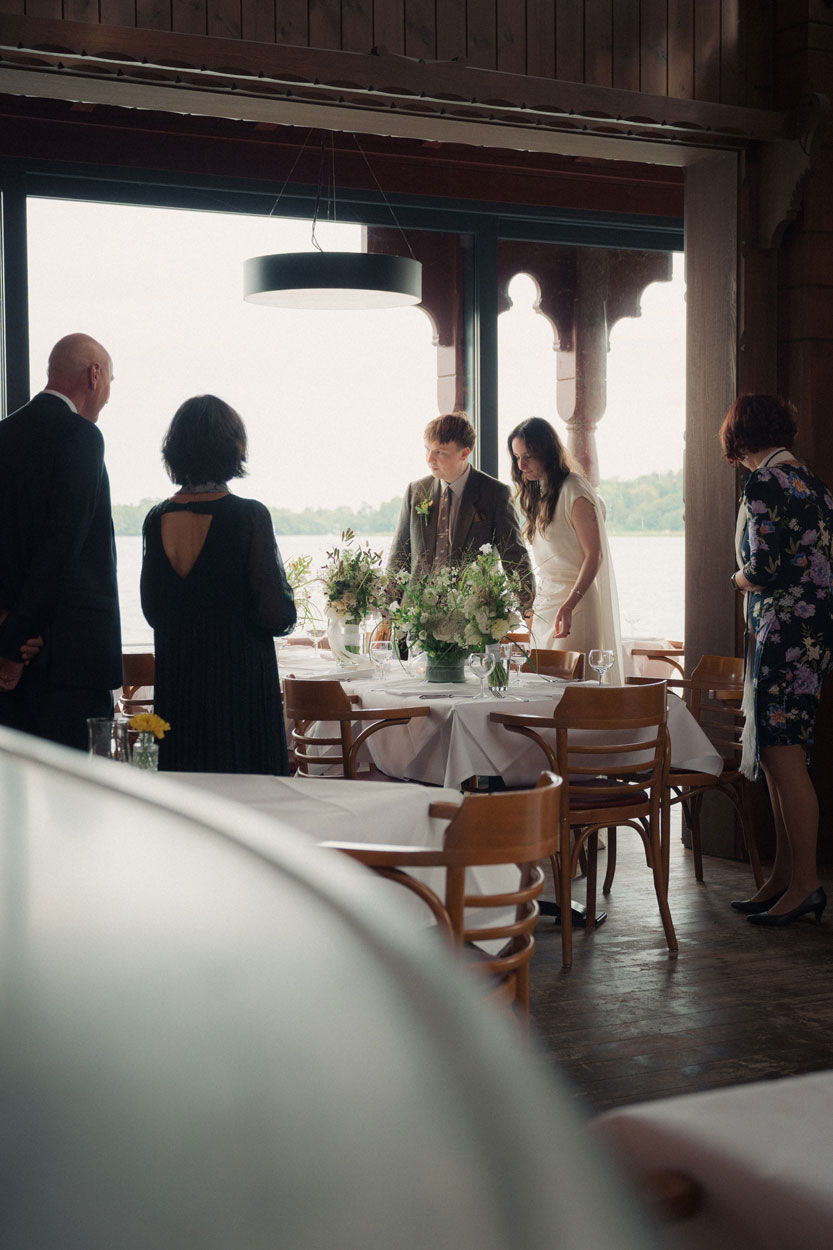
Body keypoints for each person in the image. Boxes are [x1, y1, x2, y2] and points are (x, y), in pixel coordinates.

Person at [721, 394, 833, 927]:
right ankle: (785, 878)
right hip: (811, 635)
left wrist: (738, 579)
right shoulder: (812, 481)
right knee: (780, 757)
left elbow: (763, 566)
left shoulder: (764, 482)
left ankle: (806, 885)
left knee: (784, 760)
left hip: (782, 634)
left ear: (740, 437)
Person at [140, 395, 296, 774]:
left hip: (180, 686)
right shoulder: (248, 516)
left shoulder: (155, 518)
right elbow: (275, 613)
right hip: (240, 690)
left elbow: (153, 611)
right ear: (233, 448)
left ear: (174, 451)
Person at [0, 333, 121, 750]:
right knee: (80, 806)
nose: (106, 395)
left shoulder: (3, 434)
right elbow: (61, 546)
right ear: (94, 375)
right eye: (109, 381)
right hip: (70, 665)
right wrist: (14, 645)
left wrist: (8, 630)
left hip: (8, 658)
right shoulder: (82, 437)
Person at [508, 417, 623, 682]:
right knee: (540, 687)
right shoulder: (538, 493)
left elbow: (595, 555)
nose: (521, 465)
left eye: (528, 456)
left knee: (571, 691)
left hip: (577, 604)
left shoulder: (574, 489)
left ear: (547, 453)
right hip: (546, 604)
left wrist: (570, 604)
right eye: (516, 457)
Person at [387, 412, 534, 607]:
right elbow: (399, 555)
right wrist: (386, 612)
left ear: (464, 453)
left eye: (440, 452)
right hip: (415, 615)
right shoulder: (415, 492)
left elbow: (514, 557)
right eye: (428, 450)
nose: (430, 459)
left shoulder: (495, 493)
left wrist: (528, 609)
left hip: (472, 616)